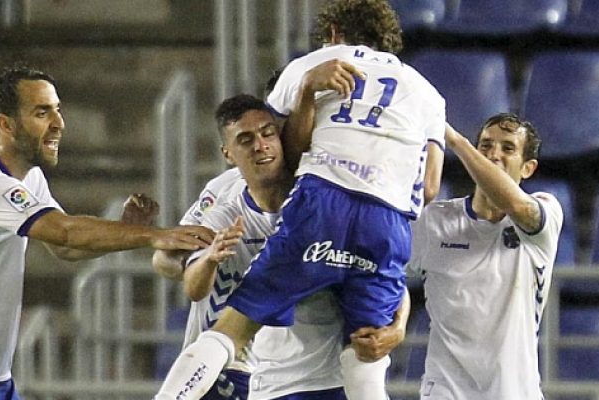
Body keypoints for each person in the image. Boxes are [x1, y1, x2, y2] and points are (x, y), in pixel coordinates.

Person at [154, 1, 446, 399]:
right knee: (367, 363)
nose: (264, 144)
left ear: (332, 34)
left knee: (229, 332)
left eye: (269, 133)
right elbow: (428, 188)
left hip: (321, 206)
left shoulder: (310, 66)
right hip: (388, 222)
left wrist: (309, 90)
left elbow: (289, 146)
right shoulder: (425, 91)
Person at [0, 65, 214, 400]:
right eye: (42, 113)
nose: (59, 123)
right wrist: (154, 236)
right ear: (6, 125)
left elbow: (64, 249)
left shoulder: (26, 178)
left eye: (57, 110)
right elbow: (65, 232)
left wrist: (127, 230)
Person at [154, 93, 410, 400]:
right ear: (228, 153)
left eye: (268, 133)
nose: (261, 145)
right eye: (246, 139)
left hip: (317, 370)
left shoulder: (321, 202)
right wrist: (208, 259)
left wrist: (399, 327)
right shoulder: (224, 200)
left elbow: (380, 271)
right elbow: (183, 275)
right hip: (238, 367)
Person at [407, 115, 563, 400]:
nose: (494, 155)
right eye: (486, 146)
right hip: (445, 390)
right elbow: (387, 273)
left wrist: (456, 141)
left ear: (528, 168)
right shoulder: (432, 221)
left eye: (507, 148)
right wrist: (396, 320)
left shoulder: (546, 213)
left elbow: (515, 204)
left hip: (516, 392)